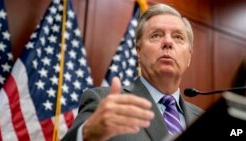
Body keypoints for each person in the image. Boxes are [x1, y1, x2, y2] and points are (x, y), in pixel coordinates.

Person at [61, 3, 203, 141]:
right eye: (156, 35)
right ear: (138, 51)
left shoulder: (202, 117)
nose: (167, 42)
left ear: (189, 57)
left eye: (178, 37)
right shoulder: (104, 102)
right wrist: (87, 134)